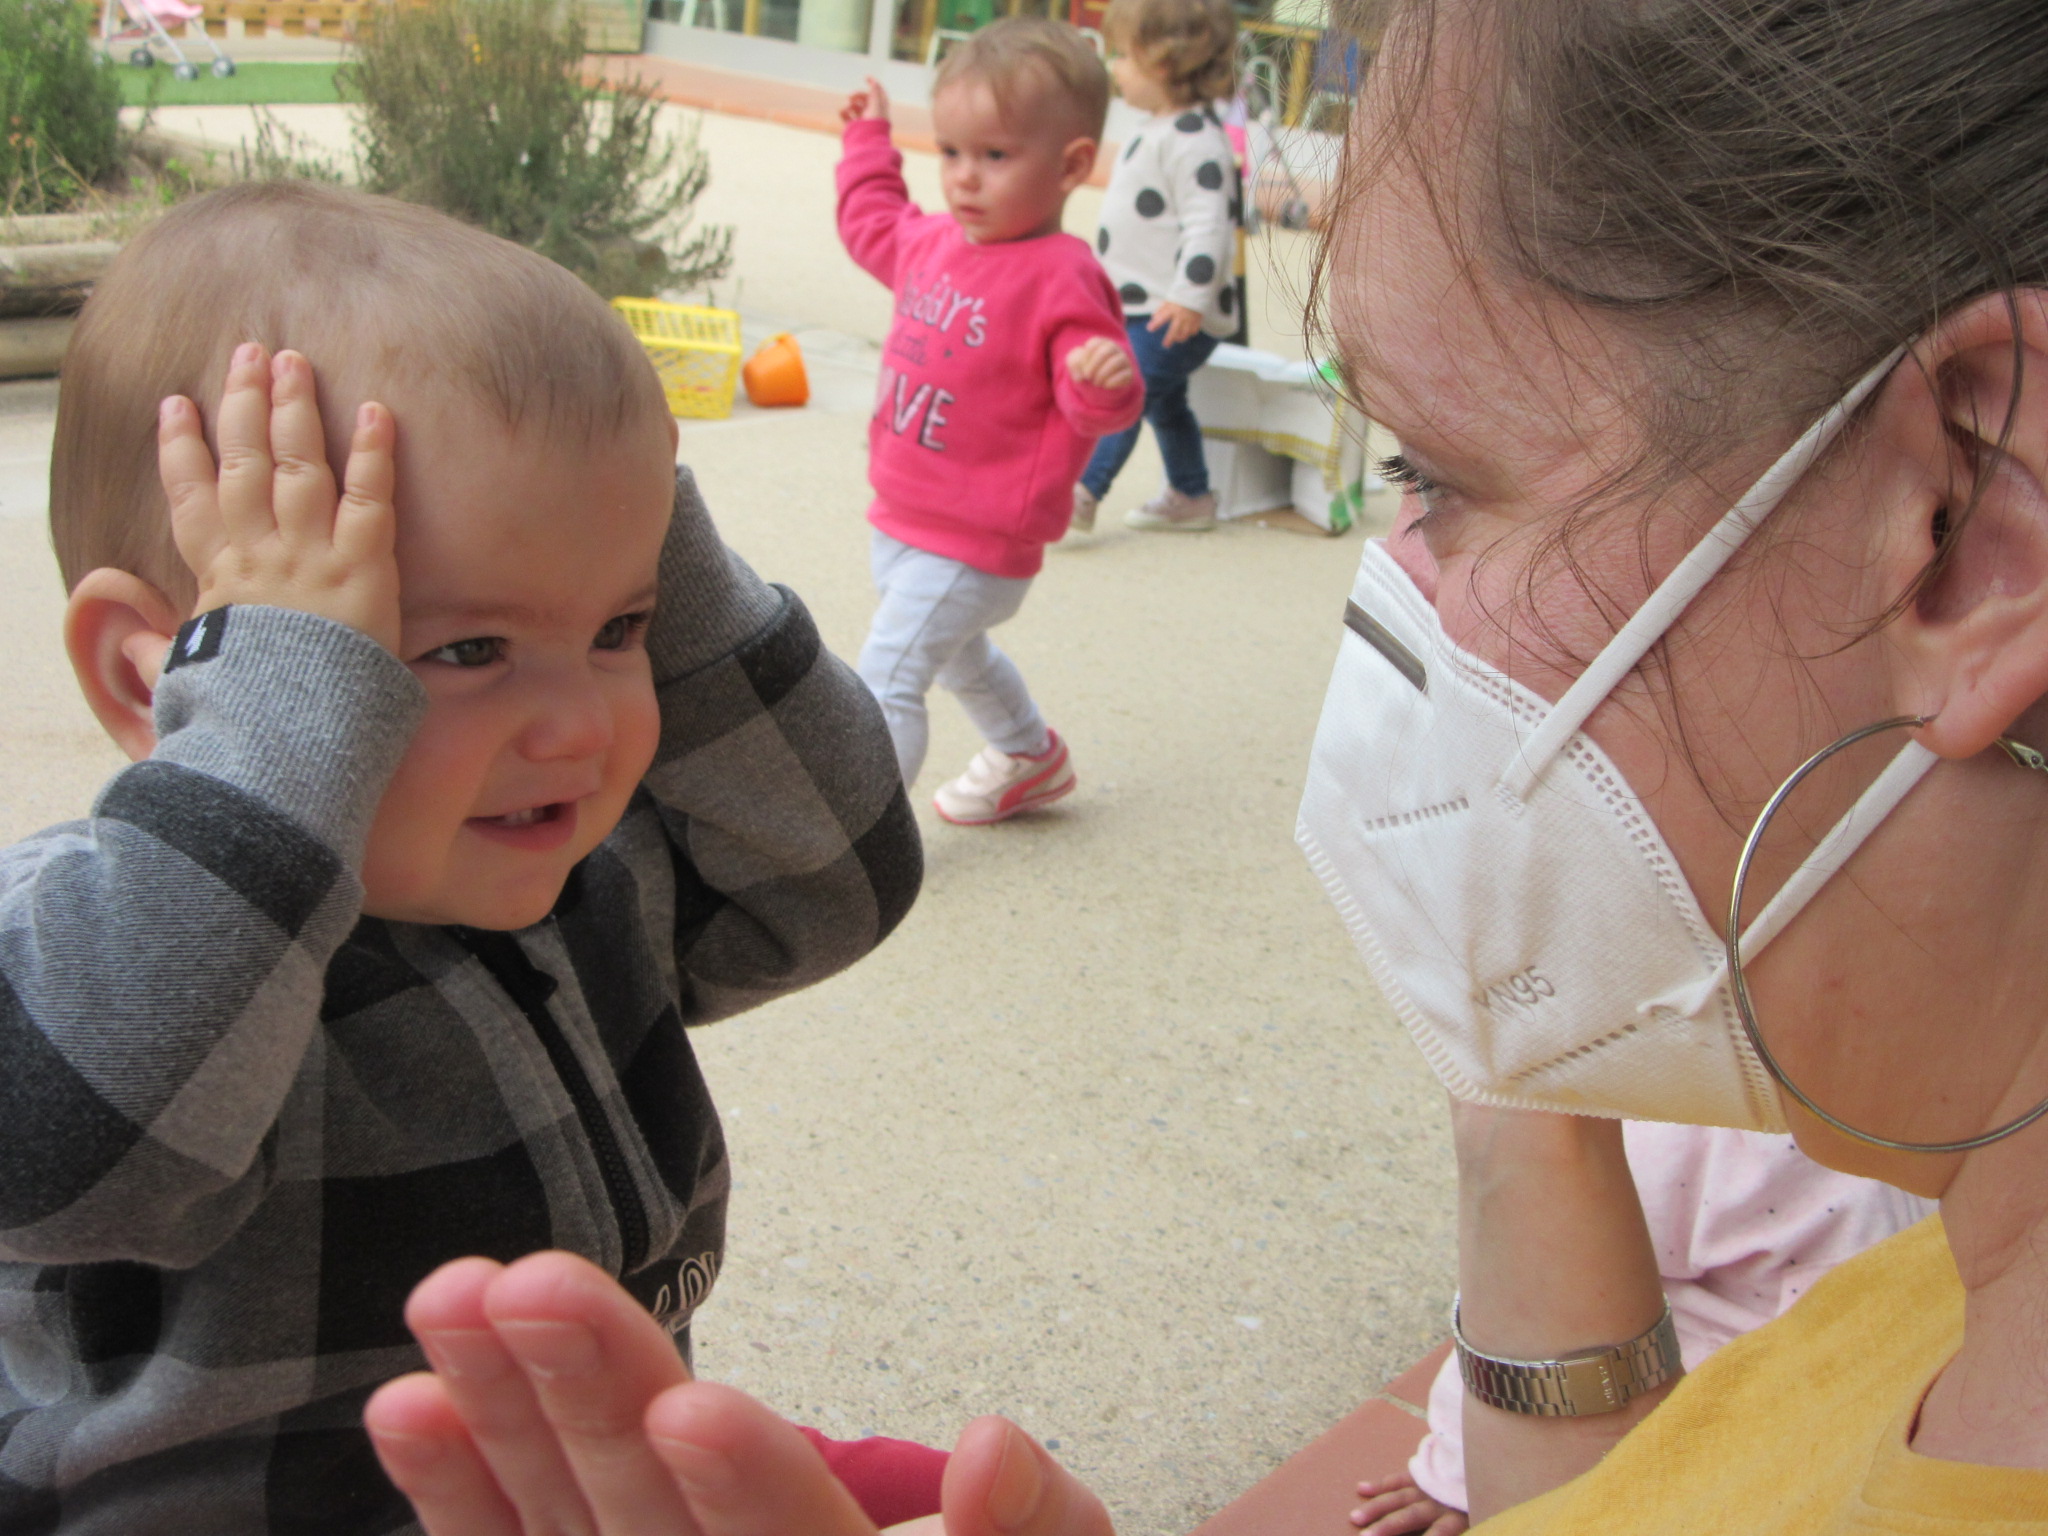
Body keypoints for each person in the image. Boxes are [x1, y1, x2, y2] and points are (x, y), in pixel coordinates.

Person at [363, 0, 2048, 1529]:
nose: (1398, 591)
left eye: (1437, 475)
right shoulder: (1923, 1305)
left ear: (1958, 525)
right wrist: (1526, 1109)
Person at [5, 180, 928, 1533]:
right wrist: (276, 723)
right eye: (462, 651)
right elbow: (67, 1148)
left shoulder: (581, 875)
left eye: (619, 630)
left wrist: (649, 525)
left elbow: (841, 877)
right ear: (162, 681)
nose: (582, 723)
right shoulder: (108, 953)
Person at [836, 20, 1144, 825]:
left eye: (995, 156)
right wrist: (869, 141)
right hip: (904, 512)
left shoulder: (1063, 276)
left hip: (978, 536)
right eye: (951, 152)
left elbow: (1092, 403)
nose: (965, 179)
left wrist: (1104, 384)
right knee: (957, 657)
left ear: (1072, 165)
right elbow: (871, 221)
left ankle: (860, 837)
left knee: (890, 671)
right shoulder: (933, 243)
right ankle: (1028, 754)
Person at [1352, 1125, 1935, 1536]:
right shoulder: (1691, 1135)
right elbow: (1535, 1290)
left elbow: (1527, 1282)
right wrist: (1461, 1470)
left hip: (1743, 1422)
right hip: (1705, 1403)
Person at [1069, 0, 1240, 536]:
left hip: (1176, 308)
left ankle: (1080, 491)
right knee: (1166, 403)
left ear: (1163, 64)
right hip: (1143, 303)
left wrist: (1190, 296)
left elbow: (1209, 225)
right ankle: (1191, 494)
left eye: (1123, 55)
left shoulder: (1196, 140)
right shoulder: (1160, 127)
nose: (1114, 66)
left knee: (1127, 390)